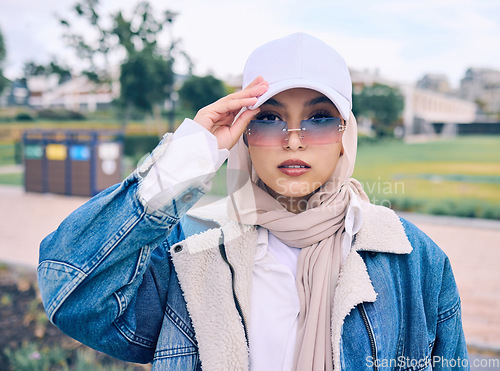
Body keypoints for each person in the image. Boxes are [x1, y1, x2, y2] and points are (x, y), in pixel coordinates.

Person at [38, 33, 468, 370]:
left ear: (345, 136)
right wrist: (186, 157)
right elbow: (73, 295)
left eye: (319, 119)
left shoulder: (414, 260)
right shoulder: (192, 250)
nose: (294, 139)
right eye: (268, 118)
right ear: (244, 134)